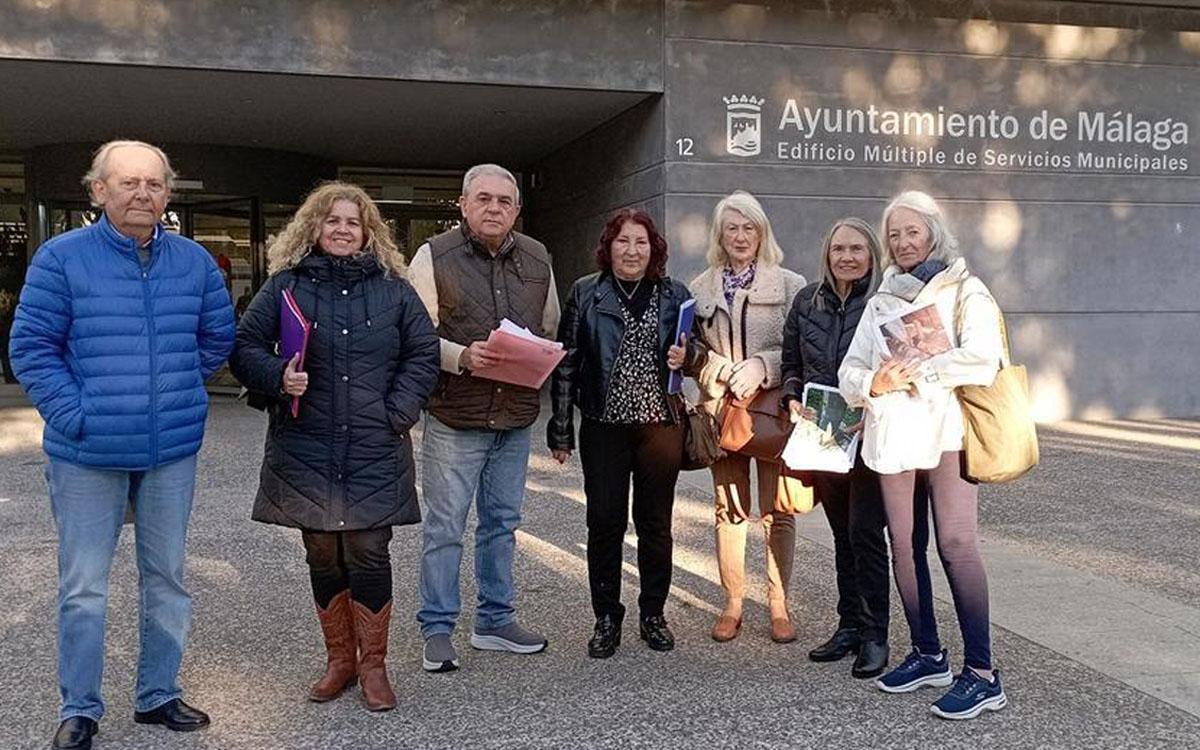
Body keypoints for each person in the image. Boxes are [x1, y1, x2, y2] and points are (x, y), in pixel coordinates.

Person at [8, 140, 235, 750]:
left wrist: (178, 390)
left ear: (167, 194)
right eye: (128, 182)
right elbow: (31, 348)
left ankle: (158, 694)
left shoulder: (194, 262)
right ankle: (79, 708)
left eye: (154, 184)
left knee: (167, 578)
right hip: (88, 451)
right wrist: (75, 413)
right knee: (84, 586)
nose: (142, 194)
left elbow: (217, 337)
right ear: (99, 190)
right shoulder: (61, 259)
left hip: (169, 452)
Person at [229, 182, 439, 711]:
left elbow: (423, 353)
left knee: (369, 550)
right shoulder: (285, 285)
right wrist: (278, 376)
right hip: (306, 444)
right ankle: (340, 660)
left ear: (368, 232)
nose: (343, 230)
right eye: (333, 220)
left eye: (353, 222)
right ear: (314, 227)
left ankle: (374, 666)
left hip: (374, 442)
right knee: (322, 552)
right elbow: (244, 347)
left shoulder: (394, 289)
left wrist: (398, 411)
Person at [839, 190, 1007, 719]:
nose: (903, 242)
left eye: (912, 231)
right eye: (894, 234)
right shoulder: (881, 300)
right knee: (905, 549)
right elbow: (848, 372)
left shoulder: (966, 290)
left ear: (933, 232)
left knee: (956, 545)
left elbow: (984, 359)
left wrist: (921, 369)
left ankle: (982, 674)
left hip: (947, 436)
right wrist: (875, 381)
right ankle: (928, 654)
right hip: (892, 439)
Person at [408, 164, 560, 673]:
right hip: (456, 414)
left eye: (504, 201)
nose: (494, 208)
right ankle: (437, 627)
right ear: (464, 204)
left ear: (517, 209)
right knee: (445, 527)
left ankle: (495, 620)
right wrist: (461, 357)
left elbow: (549, 327)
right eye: (484, 199)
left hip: (514, 416)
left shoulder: (538, 257)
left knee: (502, 525)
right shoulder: (433, 256)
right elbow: (414, 336)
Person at [548, 209, 702, 658]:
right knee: (604, 522)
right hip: (604, 427)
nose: (632, 251)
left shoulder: (675, 294)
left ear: (654, 249)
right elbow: (567, 363)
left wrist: (688, 357)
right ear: (608, 247)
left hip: (660, 427)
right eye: (623, 241)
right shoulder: (586, 292)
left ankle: (653, 613)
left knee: (655, 524)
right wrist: (561, 428)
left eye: (641, 242)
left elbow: (699, 351)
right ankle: (606, 617)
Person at [689, 190, 806, 643]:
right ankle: (733, 602)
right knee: (729, 508)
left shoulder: (790, 284)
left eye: (749, 228)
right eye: (731, 228)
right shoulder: (700, 288)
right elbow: (691, 353)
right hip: (723, 410)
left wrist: (762, 366)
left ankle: (778, 603)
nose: (740, 237)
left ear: (762, 233)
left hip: (772, 412)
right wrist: (721, 370)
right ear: (719, 235)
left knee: (779, 510)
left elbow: (798, 350)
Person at [781, 217, 891, 678]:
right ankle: (849, 626)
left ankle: (875, 634)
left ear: (871, 255)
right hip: (823, 435)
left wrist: (877, 406)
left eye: (856, 249)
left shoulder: (884, 303)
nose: (846, 257)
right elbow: (791, 361)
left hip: (868, 432)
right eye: (838, 249)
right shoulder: (808, 301)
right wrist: (791, 397)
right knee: (842, 534)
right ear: (827, 254)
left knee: (865, 533)